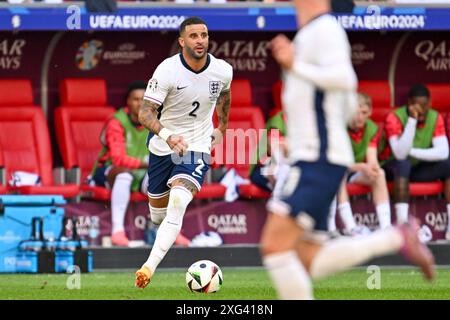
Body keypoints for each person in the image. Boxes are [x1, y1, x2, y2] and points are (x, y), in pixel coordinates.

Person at [260, 0, 434, 300]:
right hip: (315, 155)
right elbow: (343, 102)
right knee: (306, 258)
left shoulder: (324, 29)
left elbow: (345, 81)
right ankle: (396, 236)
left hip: (319, 158)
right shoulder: (309, 33)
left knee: (275, 247)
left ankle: (396, 236)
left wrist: (294, 65)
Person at [134, 16, 233, 288]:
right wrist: (167, 135)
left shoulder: (222, 70)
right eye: (194, 36)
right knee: (157, 215)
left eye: (204, 35)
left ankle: (147, 268)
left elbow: (224, 97)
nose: (200, 40)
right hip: (162, 147)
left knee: (178, 202)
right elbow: (145, 113)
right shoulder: (167, 70)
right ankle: (155, 191)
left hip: (197, 147)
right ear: (182, 41)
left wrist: (222, 127)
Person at [381, 84, 450, 228]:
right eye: (416, 105)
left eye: (424, 105)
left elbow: (443, 152)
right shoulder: (394, 117)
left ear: (430, 103)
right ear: (409, 103)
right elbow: (399, 154)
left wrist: (411, 151)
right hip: (393, 167)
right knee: (403, 163)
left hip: (417, 167)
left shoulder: (434, 116)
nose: (421, 110)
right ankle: (402, 226)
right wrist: (412, 120)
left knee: (448, 164)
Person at [90, 81, 149, 247]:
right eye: (136, 99)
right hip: (109, 172)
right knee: (124, 175)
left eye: (144, 99)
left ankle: (172, 232)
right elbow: (117, 159)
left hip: (139, 174)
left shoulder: (154, 121)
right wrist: (147, 165)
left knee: (166, 178)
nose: (140, 103)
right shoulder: (116, 121)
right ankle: (117, 232)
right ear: (128, 102)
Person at [328, 93, 392, 235]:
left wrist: (372, 167)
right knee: (337, 173)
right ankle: (350, 226)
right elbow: (338, 161)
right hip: (335, 169)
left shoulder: (371, 128)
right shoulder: (338, 127)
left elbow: (372, 158)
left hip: (355, 171)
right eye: (356, 113)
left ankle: (386, 227)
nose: (360, 117)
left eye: (364, 113)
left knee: (379, 173)